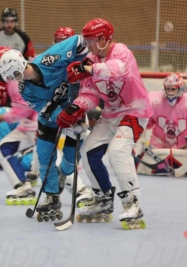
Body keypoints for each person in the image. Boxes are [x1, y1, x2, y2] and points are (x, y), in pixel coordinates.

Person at [57, 18, 153, 229]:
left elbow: (116, 70)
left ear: (102, 39)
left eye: (91, 40)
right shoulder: (90, 60)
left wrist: (89, 69)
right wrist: (76, 108)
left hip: (134, 112)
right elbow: (90, 93)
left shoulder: (121, 51)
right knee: (88, 151)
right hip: (111, 114)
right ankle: (102, 199)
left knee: (118, 151)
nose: (88, 45)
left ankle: (132, 203)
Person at [0, 34, 95, 222]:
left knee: (69, 160)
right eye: (14, 78)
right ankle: (52, 196)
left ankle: (62, 175)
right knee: (44, 155)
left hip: (76, 108)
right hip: (51, 118)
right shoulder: (24, 89)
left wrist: (84, 63)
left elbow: (79, 40)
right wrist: (66, 118)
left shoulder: (49, 58)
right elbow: (45, 109)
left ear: (22, 65)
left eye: (17, 74)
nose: (19, 79)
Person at [0, 46, 40, 205]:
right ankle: (22, 186)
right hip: (29, 126)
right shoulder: (14, 76)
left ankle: (81, 190)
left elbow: (22, 111)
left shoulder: (15, 81)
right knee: (2, 149)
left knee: (51, 161)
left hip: (38, 125)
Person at [0, 8, 35, 107]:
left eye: (12, 21)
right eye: (7, 21)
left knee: (13, 105)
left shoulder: (23, 37)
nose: (9, 24)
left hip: (15, 78)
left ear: (16, 22)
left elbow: (31, 57)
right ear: (2, 22)